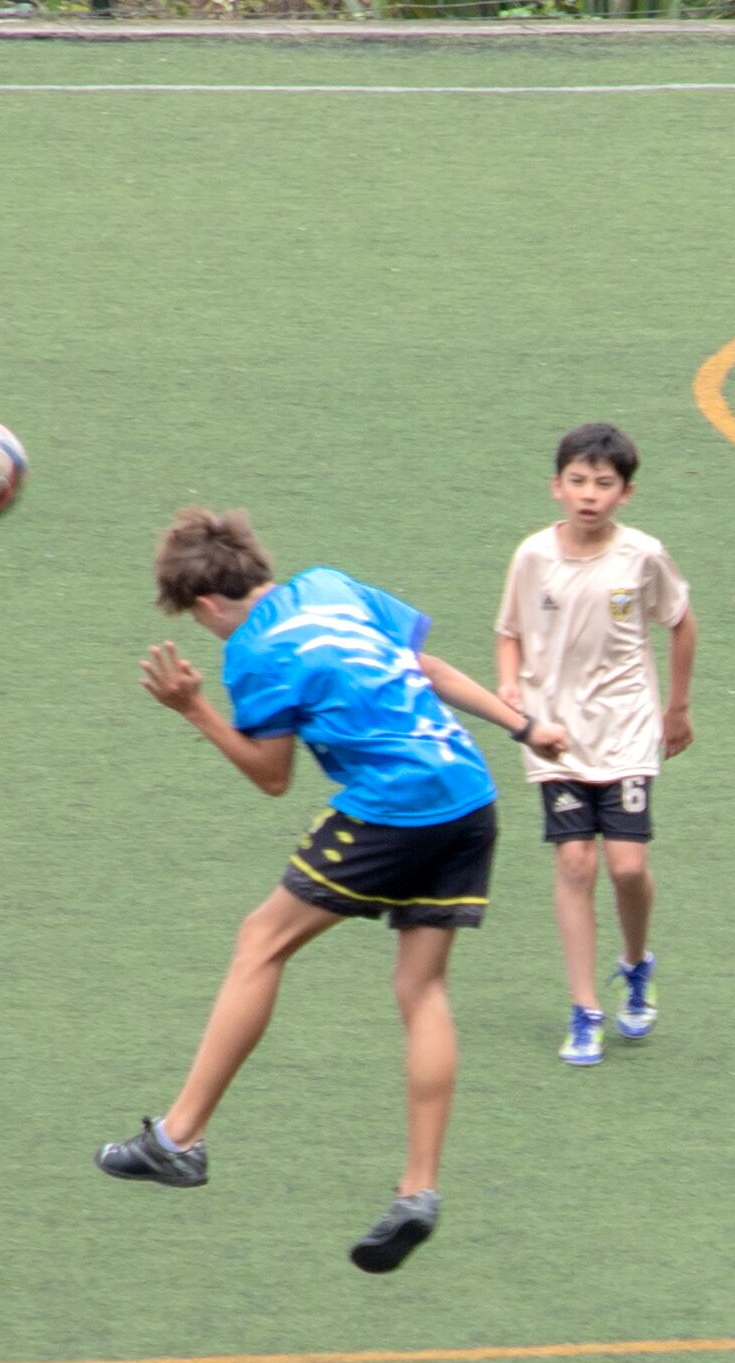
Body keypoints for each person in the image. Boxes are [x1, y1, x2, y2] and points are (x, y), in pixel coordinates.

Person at [98, 507, 572, 1272]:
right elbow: (427, 666)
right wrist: (523, 726)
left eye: (196, 619)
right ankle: (418, 1189)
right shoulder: (332, 585)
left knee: (262, 940)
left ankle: (178, 1138)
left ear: (208, 603)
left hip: (394, 808)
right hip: (468, 793)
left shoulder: (253, 652)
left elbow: (271, 776)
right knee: (422, 988)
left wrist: (194, 709)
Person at [490, 421, 697, 1069]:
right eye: (577, 481)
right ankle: (585, 1010)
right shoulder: (533, 557)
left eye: (603, 484)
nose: (589, 494)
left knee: (627, 867)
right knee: (576, 864)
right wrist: (508, 685)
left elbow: (681, 623)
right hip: (555, 737)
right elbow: (509, 631)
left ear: (625, 493)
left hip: (627, 730)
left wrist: (677, 707)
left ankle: (635, 963)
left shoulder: (642, 556)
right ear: (556, 486)